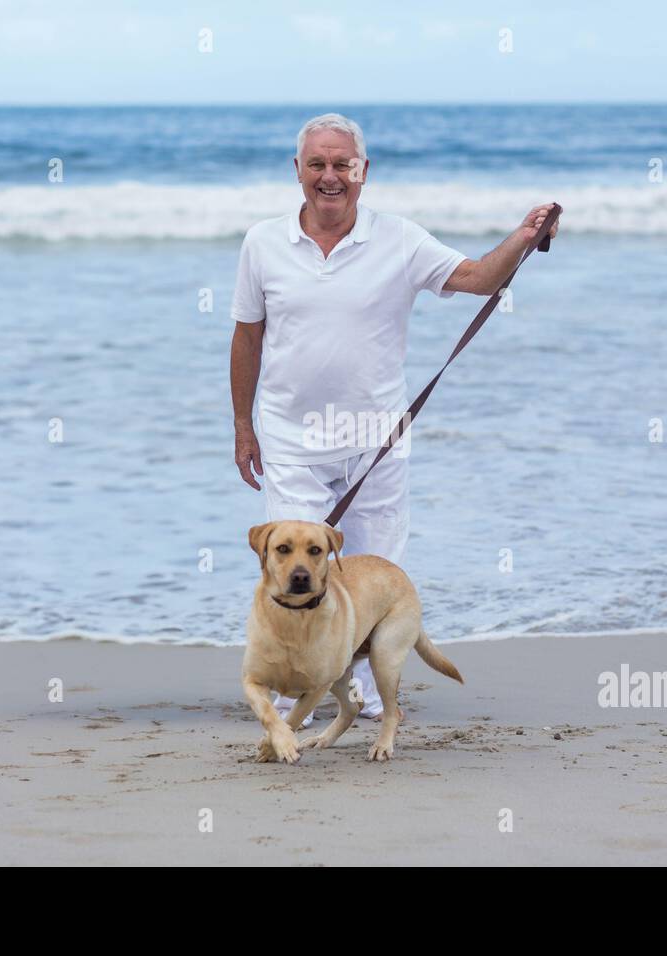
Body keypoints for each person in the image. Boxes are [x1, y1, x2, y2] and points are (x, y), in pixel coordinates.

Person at [230, 112, 558, 723]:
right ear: (297, 170)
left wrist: (523, 235)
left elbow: (479, 279)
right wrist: (243, 426)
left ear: (364, 171)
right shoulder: (262, 242)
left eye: (342, 165)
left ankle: (355, 695)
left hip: (375, 439)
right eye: (317, 164)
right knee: (292, 575)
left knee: (369, 580)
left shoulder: (401, 239)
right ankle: (286, 694)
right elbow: (247, 336)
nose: (330, 176)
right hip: (289, 436)